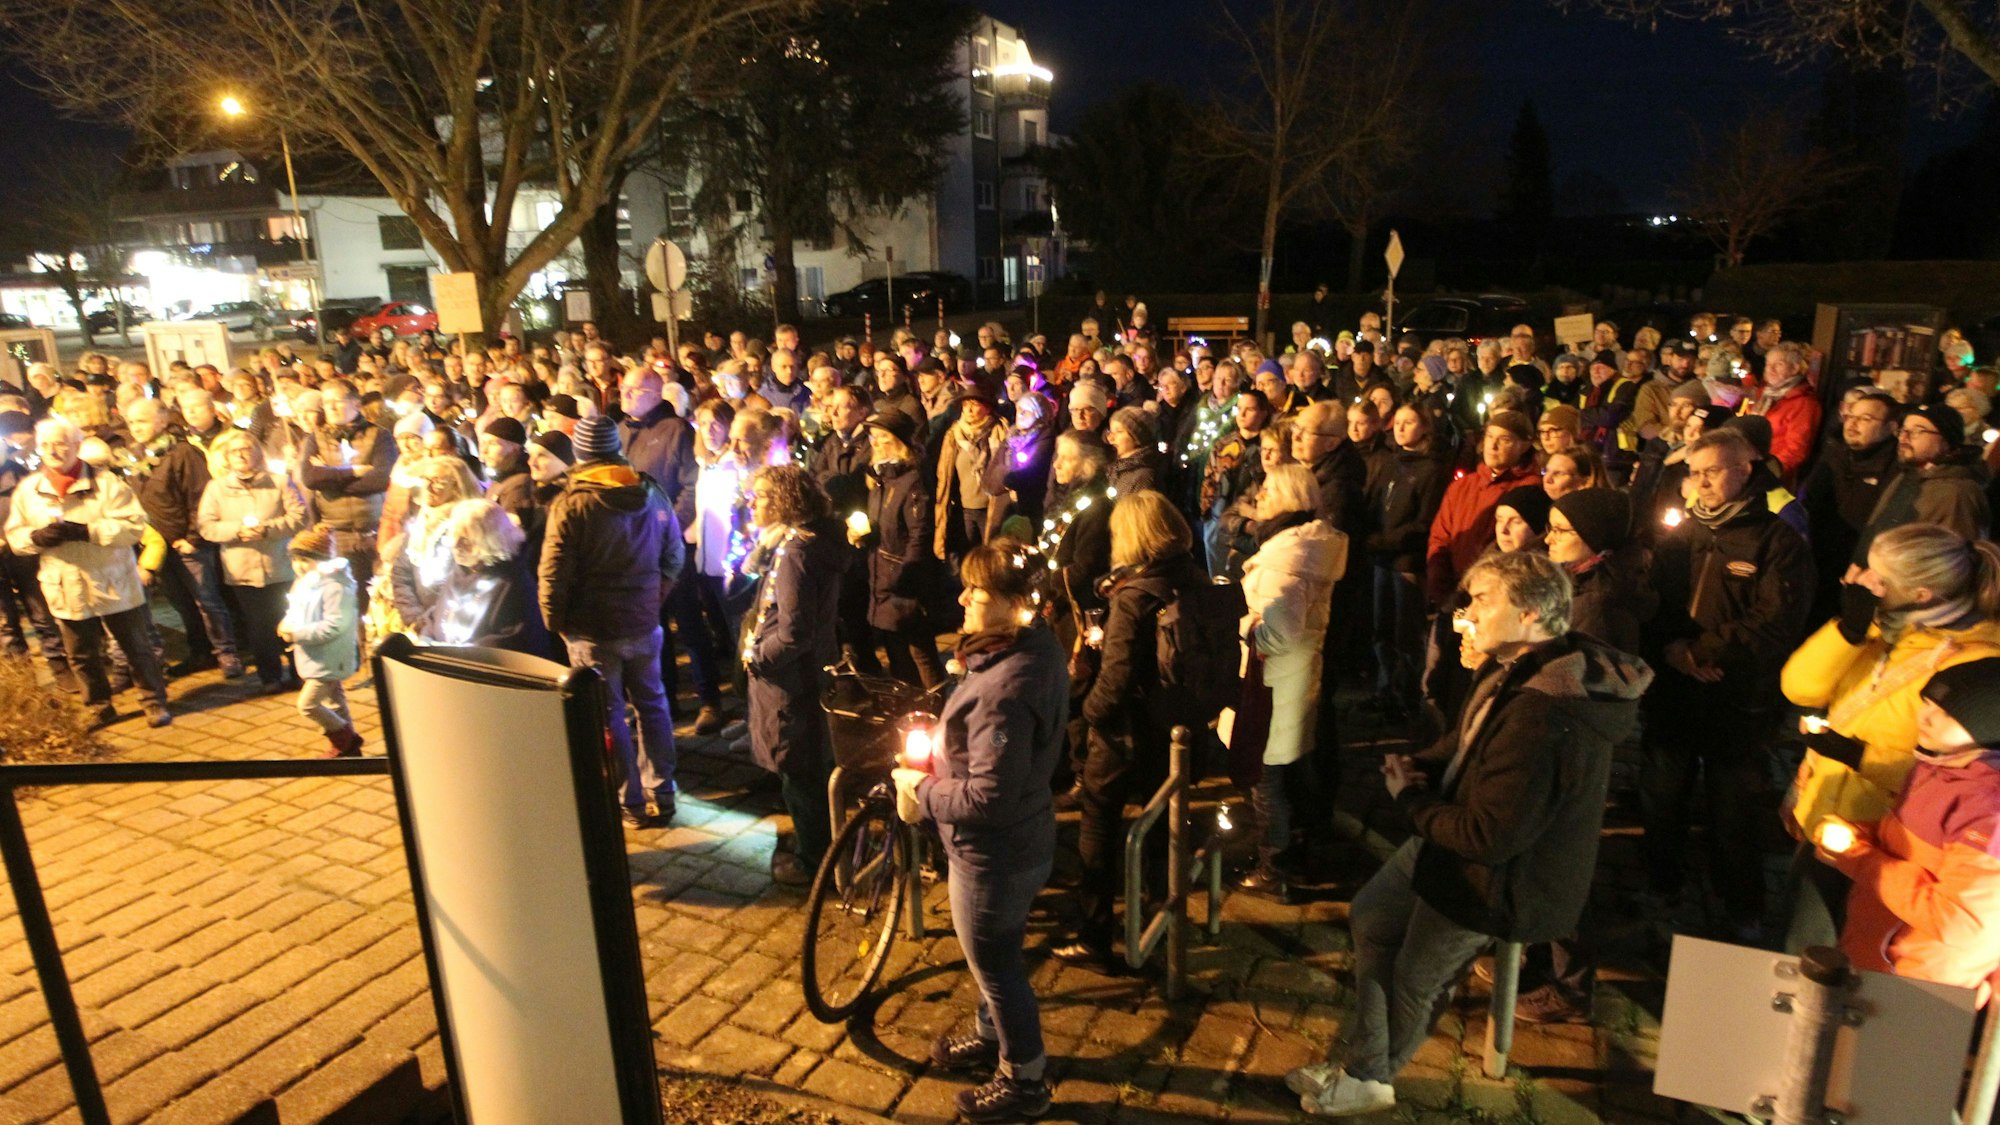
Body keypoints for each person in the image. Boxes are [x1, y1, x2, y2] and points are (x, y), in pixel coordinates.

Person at [1290, 551, 1651, 1116]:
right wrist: (1424, 768)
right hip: (1456, 834)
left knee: (1415, 976)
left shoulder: (1545, 714)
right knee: (1373, 915)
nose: (1467, 611)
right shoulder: (1515, 666)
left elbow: (1490, 836)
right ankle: (1364, 1060)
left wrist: (1409, 800)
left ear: (1531, 613)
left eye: (1482, 600)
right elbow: (1469, 747)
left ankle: (1367, 1076)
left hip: (1505, 876)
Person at [890, 538, 1070, 1122]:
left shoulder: (1007, 689)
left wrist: (921, 791)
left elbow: (987, 798)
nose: (963, 596)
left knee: (996, 966)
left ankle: (1025, 1079)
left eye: (978, 590)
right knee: (998, 961)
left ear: (1016, 602)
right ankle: (993, 1036)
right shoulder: (1029, 647)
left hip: (993, 854)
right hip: (1017, 839)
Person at [1642, 427, 1815, 942]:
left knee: (1733, 807)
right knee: (1661, 795)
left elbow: (1775, 621)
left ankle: (1741, 905)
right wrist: (1673, 649)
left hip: (1737, 697)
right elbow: (1655, 600)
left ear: (1745, 469)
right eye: (1694, 473)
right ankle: (1661, 884)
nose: (1700, 483)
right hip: (1674, 690)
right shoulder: (1683, 533)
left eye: (1712, 471)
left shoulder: (1777, 540)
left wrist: (1704, 651)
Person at [1056, 490, 1205, 971]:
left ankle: (1094, 938)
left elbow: (1115, 679)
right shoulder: (1191, 575)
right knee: (1163, 823)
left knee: (1097, 829)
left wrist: (1088, 713)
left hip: (1125, 734)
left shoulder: (1134, 597)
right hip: (1176, 726)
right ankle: (1164, 916)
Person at [1816, 659, 2000, 1004]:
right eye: (1926, 703)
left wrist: (1859, 856)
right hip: (1877, 958)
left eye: (1947, 713)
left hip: (1919, 987)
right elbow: (1912, 845)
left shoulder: (1989, 809)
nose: (1924, 717)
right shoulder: (1938, 764)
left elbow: (1961, 921)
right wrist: (1861, 834)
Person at [539, 416, 686, 829]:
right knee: (653, 706)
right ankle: (663, 792)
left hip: (592, 628)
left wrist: (556, 622)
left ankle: (630, 802)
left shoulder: (572, 502)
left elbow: (553, 572)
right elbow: (674, 556)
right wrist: (651, 599)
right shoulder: (651, 492)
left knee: (610, 715)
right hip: (642, 622)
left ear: (582, 453)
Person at [4, 416, 171, 728]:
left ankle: (153, 701)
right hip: (65, 583)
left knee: (136, 648)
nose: (53, 450)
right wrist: (34, 539)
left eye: (61, 443)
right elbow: (15, 535)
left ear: (76, 446)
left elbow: (133, 527)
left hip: (112, 579)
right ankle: (99, 704)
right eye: (46, 445)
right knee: (81, 654)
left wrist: (88, 531)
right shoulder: (29, 490)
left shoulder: (107, 484)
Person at [1231, 464, 1346, 895]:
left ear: (1294, 499)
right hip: (1291, 678)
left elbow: (1279, 632)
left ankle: (1272, 869)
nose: (1261, 495)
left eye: (1271, 490)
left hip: (1272, 678)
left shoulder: (1289, 559)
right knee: (1283, 772)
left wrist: (1241, 623)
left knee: (1265, 777)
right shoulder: (1299, 546)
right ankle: (1288, 852)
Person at [741, 463, 847, 884]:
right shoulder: (798, 543)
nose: (754, 502)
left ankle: (813, 860)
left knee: (798, 771)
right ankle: (816, 844)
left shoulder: (796, 554)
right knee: (806, 767)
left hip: (790, 680)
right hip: (801, 673)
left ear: (786, 501)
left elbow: (794, 631)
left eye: (763, 495)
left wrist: (757, 658)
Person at [120, 398, 241, 677]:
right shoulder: (135, 455)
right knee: (181, 604)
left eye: (142, 420)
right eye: (131, 422)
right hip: (158, 546)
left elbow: (200, 497)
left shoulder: (183, 453)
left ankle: (227, 653)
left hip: (186, 543)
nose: (135, 427)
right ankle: (200, 651)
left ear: (162, 421)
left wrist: (193, 538)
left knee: (207, 600)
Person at [197, 430, 310, 692]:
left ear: (258, 453)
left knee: (291, 619)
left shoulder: (279, 482)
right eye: (235, 451)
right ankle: (270, 676)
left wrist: (269, 529)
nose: (241, 455)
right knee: (259, 627)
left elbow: (299, 516)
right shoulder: (216, 489)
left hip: (280, 565)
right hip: (242, 570)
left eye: (247, 449)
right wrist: (236, 530)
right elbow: (206, 526)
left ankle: (299, 671)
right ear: (227, 457)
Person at [1365, 405, 1450, 721]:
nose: (1400, 428)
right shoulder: (1391, 463)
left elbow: (1423, 522)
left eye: (1409, 422)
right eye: (1397, 422)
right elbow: (1375, 503)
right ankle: (1385, 690)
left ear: (1425, 427)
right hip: (1381, 559)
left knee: (1405, 631)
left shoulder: (1431, 469)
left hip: (1407, 562)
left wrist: (1382, 541)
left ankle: (1406, 696)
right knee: (1381, 629)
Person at [854, 408, 945, 690]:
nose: (875, 443)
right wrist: (862, 533)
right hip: (882, 573)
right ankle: (909, 706)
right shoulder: (882, 478)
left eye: (882, 437)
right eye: (873, 437)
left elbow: (920, 532)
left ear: (899, 442)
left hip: (903, 578)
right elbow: (884, 524)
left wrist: (907, 576)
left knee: (920, 650)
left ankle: (938, 706)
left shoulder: (912, 480)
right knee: (896, 649)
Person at [1852, 403, 1989, 568]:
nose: (1904, 438)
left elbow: (1955, 565)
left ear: (1946, 441)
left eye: (1917, 431)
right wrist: (1859, 562)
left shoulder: (1958, 493)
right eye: (1903, 430)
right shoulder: (1907, 475)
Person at [415, 499, 549, 656]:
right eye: (453, 535)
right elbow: (438, 615)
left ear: (490, 541)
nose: (454, 544)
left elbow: (513, 645)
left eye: (465, 540)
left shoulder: (515, 585)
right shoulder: (459, 572)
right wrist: (427, 636)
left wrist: (459, 656)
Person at [296, 379, 396, 583]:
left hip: (372, 531)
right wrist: (355, 471)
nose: (331, 407)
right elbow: (311, 478)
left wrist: (330, 478)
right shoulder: (316, 438)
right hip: (334, 533)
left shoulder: (379, 435)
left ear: (356, 404)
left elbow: (380, 479)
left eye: (338, 400)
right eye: (326, 402)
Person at [275, 526, 363, 757]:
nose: (299, 565)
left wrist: (297, 634)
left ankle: (346, 738)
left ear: (322, 560)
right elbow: (296, 610)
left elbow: (335, 626)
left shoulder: (335, 587)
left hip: (331, 657)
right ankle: (348, 749)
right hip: (315, 655)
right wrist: (287, 623)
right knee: (336, 701)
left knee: (308, 705)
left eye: (306, 559)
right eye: (295, 559)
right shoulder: (305, 583)